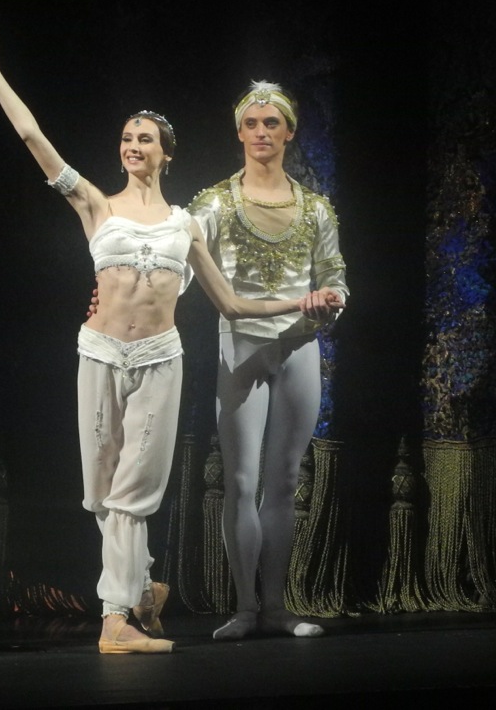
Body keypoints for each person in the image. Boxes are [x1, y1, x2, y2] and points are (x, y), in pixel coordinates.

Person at [0, 14, 332, 654]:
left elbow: (233, 303)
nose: (133, 146)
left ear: (166, 153)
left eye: (145, 139)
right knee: (102, 492)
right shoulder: (96, 205)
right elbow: (31, 136)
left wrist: (302, 302)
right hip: (99, 352)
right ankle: (143, 591)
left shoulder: (185, 225)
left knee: (133, 491)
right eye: (127, 138)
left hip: (160, 356)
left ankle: (116, 622)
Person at [187, 80, 349, 639]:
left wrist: (331, 301)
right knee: (240, 478)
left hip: (300, 346)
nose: (261, 132)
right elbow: (177, 262)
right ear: (239, 132)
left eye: (272, 123)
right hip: (240, 346)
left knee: (283, 480)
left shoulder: (315, 208)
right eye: (252, 124)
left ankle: (277, 606)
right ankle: (244, 608)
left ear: (289, 133)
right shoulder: (214, 203)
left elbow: (334, 275)